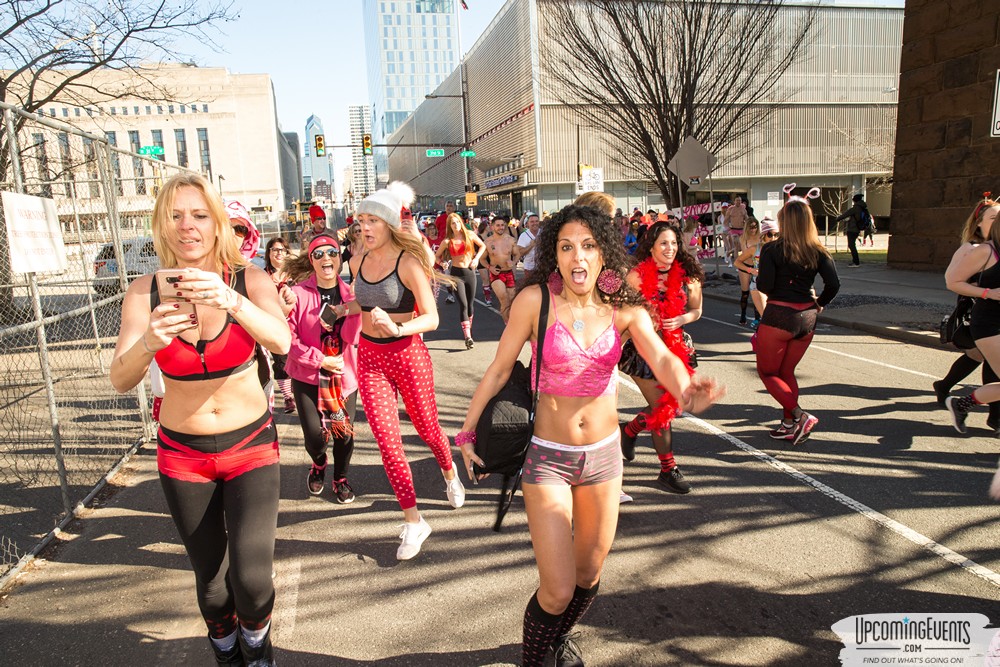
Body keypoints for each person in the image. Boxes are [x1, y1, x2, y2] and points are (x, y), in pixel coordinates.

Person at [455, 204, 723, 667]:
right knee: (557, 589)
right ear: (554, 256)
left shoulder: (624, 308)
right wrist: (465, 433)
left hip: (603, 459)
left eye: (587, 246)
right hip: (548, 459)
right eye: (566, 247)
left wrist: (685, 387)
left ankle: (557, 637)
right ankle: (534, 658)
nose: (577, 256)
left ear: (603, 254)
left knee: (588, 575)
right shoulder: (535, 301)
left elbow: (661, 357)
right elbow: (499, 370)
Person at [109, 173, 290, 665]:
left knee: (252, 581)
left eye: (199, 215)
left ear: (217, 225)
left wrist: (231, 301)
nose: (187, 225)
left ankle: (258, 646)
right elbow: (120, 378)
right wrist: (150, 341)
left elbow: (282, 340)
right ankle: (227, 654)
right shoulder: (143, 293)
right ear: (162, 226)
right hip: (183, 455)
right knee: (211, 584)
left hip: (251, 447)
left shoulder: (248, 279)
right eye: (175, 216)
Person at [342, 181, 465, 560]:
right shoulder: (358, 260)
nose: (364, 227)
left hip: (407, 355)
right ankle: (414, 521)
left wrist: (398, 328)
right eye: (361, 220)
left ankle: (449, 471)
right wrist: (341, 310)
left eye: (372, 220)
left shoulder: (408, 263)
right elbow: (364, 303)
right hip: (370, 358)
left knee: (428, 429)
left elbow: (431, 317)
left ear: (390, 223)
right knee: (386, 442)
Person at [618, 220, 704, 494]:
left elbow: (697, 311)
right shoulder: (636, 276)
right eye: (663, 243)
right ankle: (668, 469)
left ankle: (629, 430)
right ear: (651, 247)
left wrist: (682, 319)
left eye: (674, 243)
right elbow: (620, 315)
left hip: (676, 347)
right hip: (642, 350)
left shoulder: (689, 275)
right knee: (661, 408)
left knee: (672, 404)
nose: (670, 248)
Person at [755, 195, 840, 445]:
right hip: (807, 316)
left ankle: (799, 415)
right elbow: (834, 284)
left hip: (780, 315)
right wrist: (820, 302)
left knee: (768, 372)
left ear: (784, 222)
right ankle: (788, 424)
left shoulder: (772, 249)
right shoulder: (818, 250)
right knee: (786, 371)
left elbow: (764, 286)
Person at [285, 234, 362, 503]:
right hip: (307, 375)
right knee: (316, 438)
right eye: (318, 254)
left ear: (340, 258)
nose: (325, 258)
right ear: (311, 260)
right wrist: (319, 360)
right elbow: (288, 339)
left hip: (343, 377)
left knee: (343, 434)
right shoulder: (297, 294)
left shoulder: (352, 294)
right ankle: (318, 463)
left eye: (331, 253)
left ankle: (340, 479)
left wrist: (349, 310)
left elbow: (353, 337)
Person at [938, 195, 1000, 427]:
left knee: (980, 360)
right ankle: (993, 416)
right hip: (983, 317)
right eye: (993, 218)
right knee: (982, 360)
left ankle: (959, 401)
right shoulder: (977, 249)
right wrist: (987, 292)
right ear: (979, 223)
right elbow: (952, 280)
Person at [435, 212, 486, 349]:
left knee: (470, 305)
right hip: (456, 274)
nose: (456, 225)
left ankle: (468, 329)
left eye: (457, 222)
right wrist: (442, 263)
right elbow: (436, 256)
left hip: (469, 272)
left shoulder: (470, 235)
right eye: (453, 223)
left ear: (461, 222)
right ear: (449, 226)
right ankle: (468, 336)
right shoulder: (447, 241)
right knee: (463, 304)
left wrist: (476, 259)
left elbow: (483, 246)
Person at [263, 237, 298, 413]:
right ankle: (288, 397)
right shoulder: (262, 277)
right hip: (275, 323)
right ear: (269, 253)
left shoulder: (295, 274)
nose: (278, 253)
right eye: (275, 249)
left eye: (282, 250)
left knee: (298, 357)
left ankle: (300, 391)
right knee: (281, 360)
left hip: (296, 323)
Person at [735, 216, 780, 332]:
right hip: (758, 285)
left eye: (776, 235)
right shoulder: (755, 249)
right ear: (764, 235)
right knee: (766, 316)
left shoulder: (780, 248)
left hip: (776, 285)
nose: (773, 238)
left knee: (774, 318)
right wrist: (751, 270)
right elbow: (737, 262)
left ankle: (764, 333)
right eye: (770, 235)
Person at [485, 215, 519, 322]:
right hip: (496, 274)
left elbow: (517, 254)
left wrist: (513, 262)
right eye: (498, 225)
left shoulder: (511, 240)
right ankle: (507, 324)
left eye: (502, 225)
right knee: (504, 299)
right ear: (492, 227)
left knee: (512, 300)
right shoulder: (488, 242)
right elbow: (482, 259)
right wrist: (490, 267)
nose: (501, 227)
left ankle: (512, 322)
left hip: (508, 273)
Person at [735, 217, 761, 325]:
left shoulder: (760, 238)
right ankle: (743, 314)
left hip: (757, 268)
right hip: (745, 266)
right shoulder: (742, 238)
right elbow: (738, 252)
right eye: (751, 227)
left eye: (755, 226)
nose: (753, 229)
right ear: (747, 228)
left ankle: (757, 317)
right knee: (745, 293)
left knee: (757, 292)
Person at [835, 193, 869, 267]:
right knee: (852, 245)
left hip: (852, 229)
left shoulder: (855, 208)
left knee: (851, 245)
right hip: (858, 228)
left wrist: (838, 219)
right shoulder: (863, 208)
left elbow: (845, 214)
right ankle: (855, 261)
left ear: (855, 201)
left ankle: (856, 262)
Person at [516, 212, 541, 284]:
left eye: (536, 221)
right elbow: (520, 253)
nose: (534, 223)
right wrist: (531, 245)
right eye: (532, 222)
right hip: (530, 268)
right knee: (531, 286)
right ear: (527, 224)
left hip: (543, 267)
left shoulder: (543, 233)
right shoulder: (524, 235)